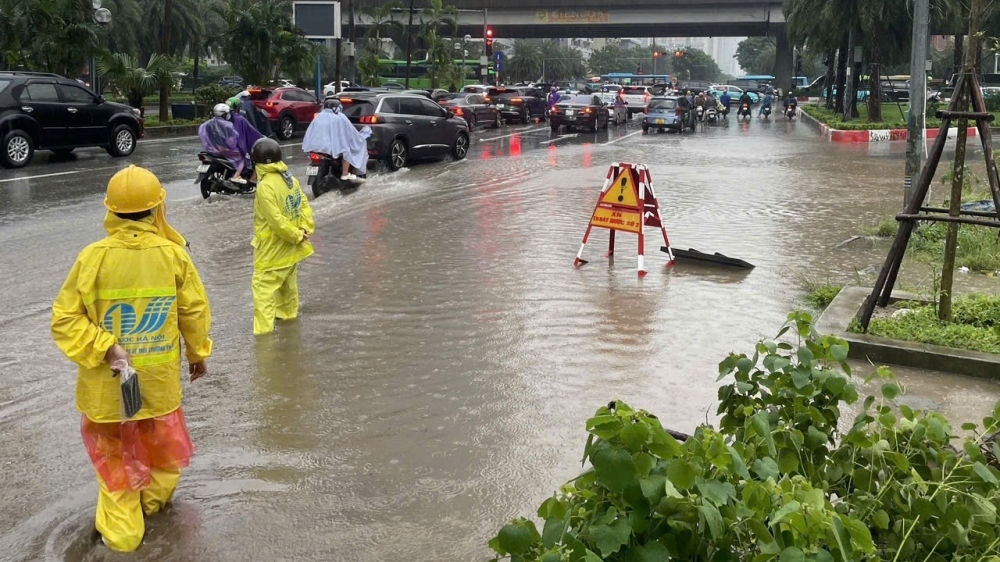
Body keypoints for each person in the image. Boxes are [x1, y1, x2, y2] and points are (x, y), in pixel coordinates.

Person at [51, 166, 212, 552]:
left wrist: (106, 346)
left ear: (110, 210)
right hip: (157, 388)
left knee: (115, 468)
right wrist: (197, 354)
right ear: (158, 208)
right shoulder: (173, 254)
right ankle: (151, 511)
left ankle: (124, 538)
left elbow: (65, 319)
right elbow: (193, 311)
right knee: (162, 459)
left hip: (107, 395)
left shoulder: (93, 258)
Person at [251, 138, 315, 336]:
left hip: (272, 251)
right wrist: (304, 229)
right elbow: (303, 205)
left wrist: (296, 235)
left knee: (263, 292)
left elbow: (276, 221)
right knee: (287, 290)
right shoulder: (291, 180)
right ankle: (289, 325)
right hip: (290, 251)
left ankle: (264, 336)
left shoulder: (265, 186)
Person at [301, 97, 371, 183]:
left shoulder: (319, 116)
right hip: (329, 148)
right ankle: (345, 173)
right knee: (346, 151)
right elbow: (345, 134)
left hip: (314, 147)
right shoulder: (339, 118)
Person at [198, 103, 249, 184]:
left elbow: (203, 136)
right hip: (223, 151)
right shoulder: (227, 125)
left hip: (210, 150)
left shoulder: (207, 124)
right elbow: (233, 140)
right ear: (224, 114)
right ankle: (236, 176)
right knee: (243, 157)